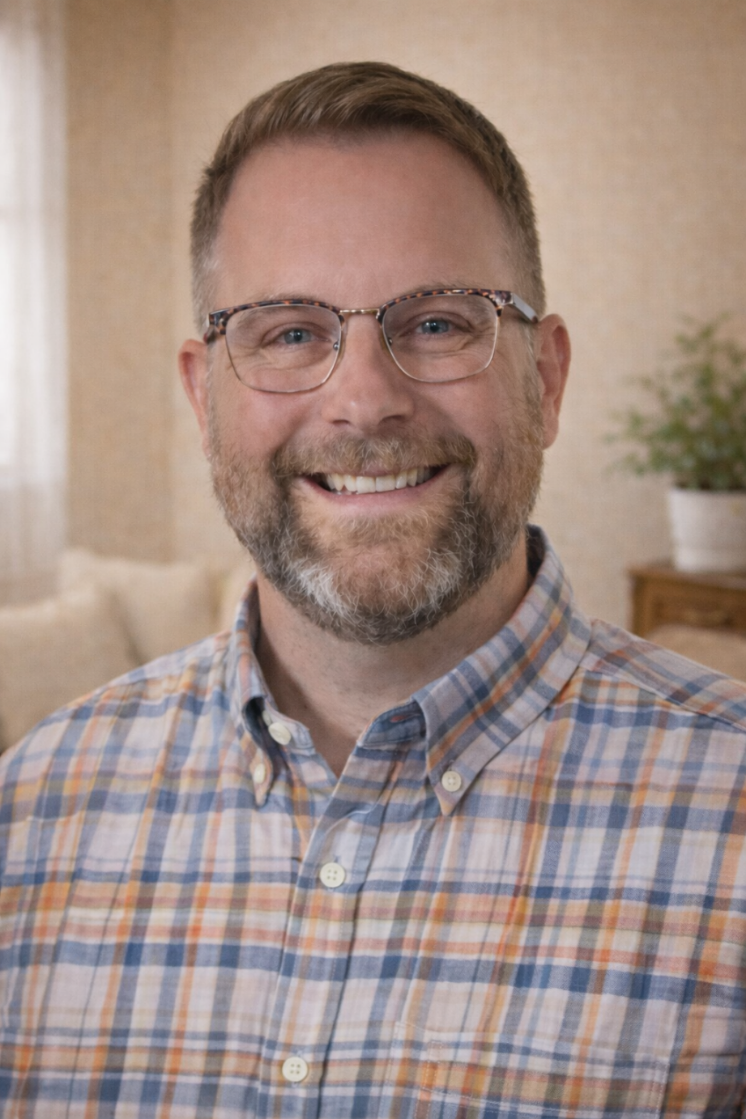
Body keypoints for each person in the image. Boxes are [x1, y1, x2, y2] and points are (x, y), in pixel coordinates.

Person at [1, 60, 744, 1119]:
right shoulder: (32, 814)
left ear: (544, 380)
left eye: (437, 322)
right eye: (288, 331)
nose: (363, 399)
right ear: (202, 399)